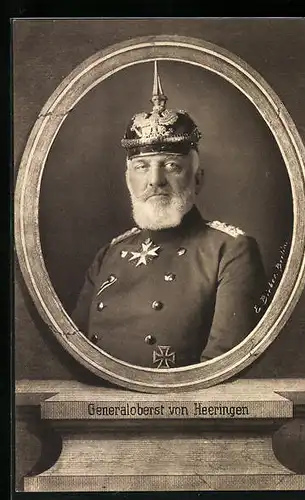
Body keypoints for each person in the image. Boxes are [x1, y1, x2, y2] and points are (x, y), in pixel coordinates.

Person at [71, 61, 266, 368]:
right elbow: (76, 357)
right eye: (142, 167)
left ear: (198, 178)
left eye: (171, 165)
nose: (155, 180)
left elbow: (221, 372)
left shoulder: (230, 250)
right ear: (128, 179)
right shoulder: (108, 254)